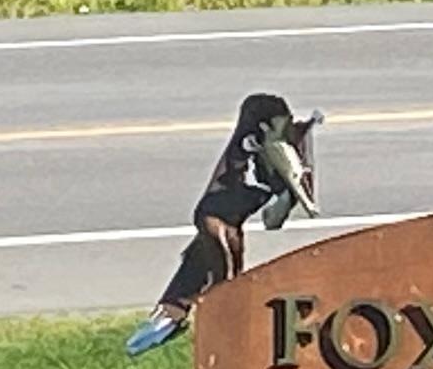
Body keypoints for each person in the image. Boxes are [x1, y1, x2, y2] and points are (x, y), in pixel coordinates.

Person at [123, 94, 321, 354]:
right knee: (228, 282)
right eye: (281, 122)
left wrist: (291, 193)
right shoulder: (249, 147)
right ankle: (227, 337)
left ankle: (165, 322)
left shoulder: (281, 150)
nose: (288, 125)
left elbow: (273, 220)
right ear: (263, 127)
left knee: (195, 270)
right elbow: (267, 152)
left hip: (232, 222)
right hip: (217, 221)